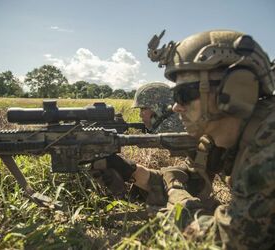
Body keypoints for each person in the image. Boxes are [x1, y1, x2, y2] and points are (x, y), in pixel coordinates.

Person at [93, 29, 275, 249]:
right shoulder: (221, 138)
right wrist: (130, 170)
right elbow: (194, 180)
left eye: (185, 95)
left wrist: (180, 207)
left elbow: (231, 241)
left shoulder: (268, 147)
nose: (175, 106)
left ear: (235, 90)